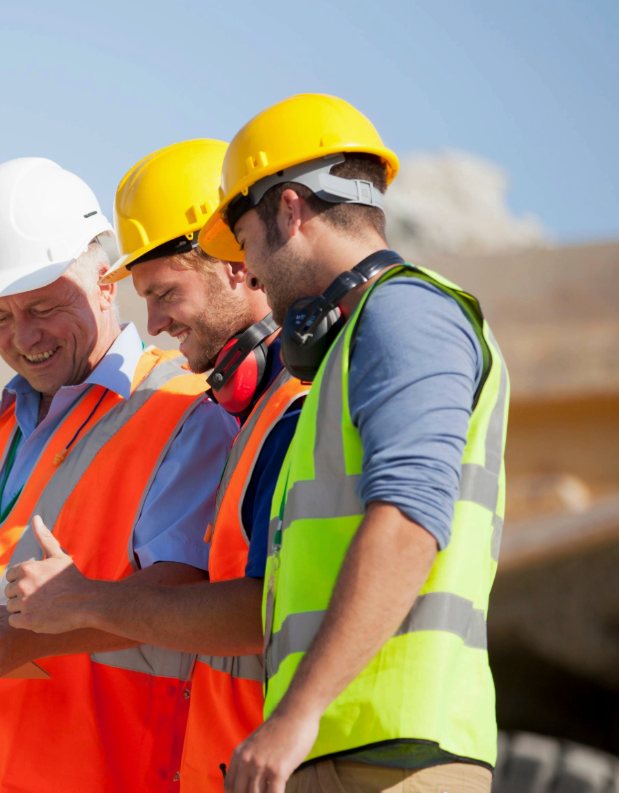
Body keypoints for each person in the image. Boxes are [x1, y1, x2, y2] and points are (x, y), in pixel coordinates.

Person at [0, 157, 238, 793]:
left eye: (43, 307)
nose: (24, 337)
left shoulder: (184, 413)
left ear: (106, 283)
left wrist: (36, 635)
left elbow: (184, 597)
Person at [199, 94, 508, 793]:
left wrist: (297, 714)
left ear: (289, 210)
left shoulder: (406, 313)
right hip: (355, 747)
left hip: (391, 751)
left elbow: (408, 520)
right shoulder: (352, 343)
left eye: (244, 241)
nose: (249, 270)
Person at [3, 138, 310, 793]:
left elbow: (260, 613)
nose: (154, 322)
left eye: (166, 292)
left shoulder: (294, 410)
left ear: (238, 265)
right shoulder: (250, 414)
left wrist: (84, 601)